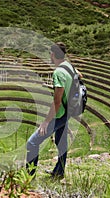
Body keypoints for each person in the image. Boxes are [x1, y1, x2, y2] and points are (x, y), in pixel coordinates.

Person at [26, 42, 81, 179]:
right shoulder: (69, 66)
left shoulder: (58, 73)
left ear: (52, 54)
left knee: (32, 143)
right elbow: (80, 76)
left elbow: (57, 102)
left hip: (60, 113)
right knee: (62, 143)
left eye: (50, 53)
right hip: (68, 111)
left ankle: (28, 177)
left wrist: (45, 122)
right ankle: (59, 172)